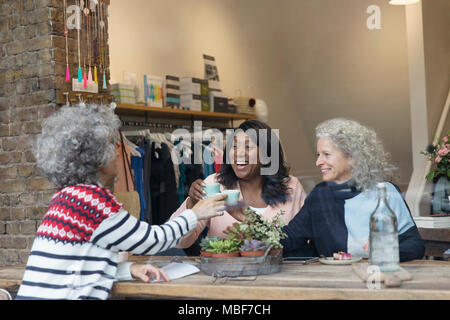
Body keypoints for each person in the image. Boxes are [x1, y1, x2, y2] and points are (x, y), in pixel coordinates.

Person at [16, 104, 227, 300]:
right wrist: (197, 213)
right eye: (111, 147)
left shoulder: (65, 198)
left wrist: (128, 270)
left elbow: (78, 264)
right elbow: (151, 240)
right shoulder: (92, 201)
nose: (117, 153)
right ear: (96, 159)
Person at [280, 118, 425, 261]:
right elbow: (291, 237)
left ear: (352, 157)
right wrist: (261, 237)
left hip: (376, 277)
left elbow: (414, 245)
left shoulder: (385, 192)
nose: (318, 162)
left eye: (327, 154)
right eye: (318, 155)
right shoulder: (320, 195)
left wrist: (384, 251)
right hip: (335, 281)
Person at [170, 119, 307, 250]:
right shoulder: (214, 184)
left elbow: (304, 239)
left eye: (248, 147)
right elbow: (177, 240)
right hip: (221, 272)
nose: (239, 153)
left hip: (277, 272)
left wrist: (250, 220)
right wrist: (192, 206)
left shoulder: (291, 187)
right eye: (234, 146)